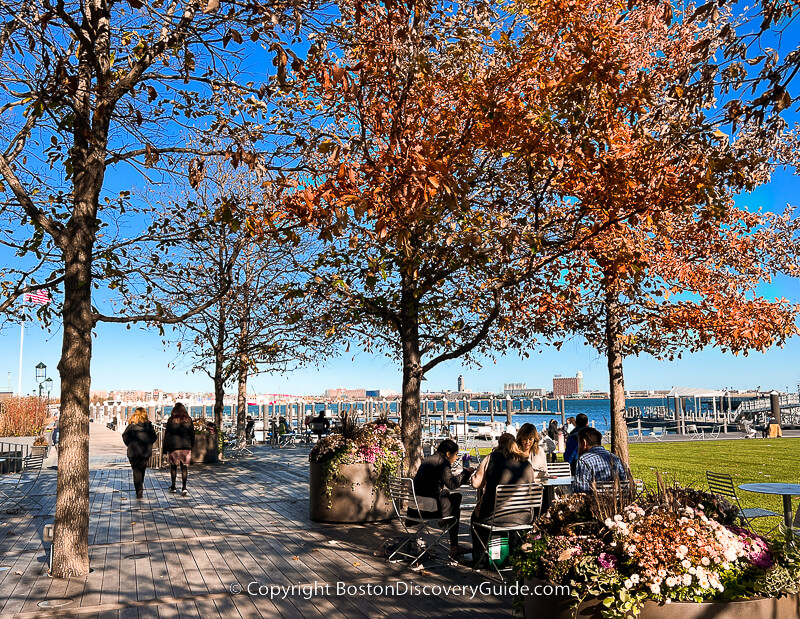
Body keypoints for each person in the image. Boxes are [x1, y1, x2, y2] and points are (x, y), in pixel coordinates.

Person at [470, 434, 535, 568]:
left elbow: (476, 484)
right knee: (510, 520)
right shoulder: (526, 463)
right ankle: (514, 556)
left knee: (475, 519)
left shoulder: (491, 458)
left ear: (499, 445)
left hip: (496, 517)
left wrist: (472, 475)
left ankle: (480, 559)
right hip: (524, 517)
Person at [412, 439, 474, 559]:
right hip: (428, 507)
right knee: (456, 498)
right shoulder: (442, 462)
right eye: (456, 455)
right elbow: (452, 484)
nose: (456, 458)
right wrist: (466, 473)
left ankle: (445, 520)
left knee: (451, 499)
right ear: (448, 454)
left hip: (417, 504)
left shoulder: (429, 459)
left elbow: (430, 484)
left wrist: (442, 492)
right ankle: (454, 546)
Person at [572, 427, 627, 494]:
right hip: (616, 501)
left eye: (579, 443)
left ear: (584, 442)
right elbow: (623, 484)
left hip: (593, 502)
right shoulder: (616, 459)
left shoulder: (584, 460)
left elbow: (581, 490)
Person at [122, 407, 158, 500]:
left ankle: (138, 490)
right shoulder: (148, 425)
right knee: (142, 470)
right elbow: (154, 436)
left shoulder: (131, 425)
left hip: (133, 452)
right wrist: (149, 443)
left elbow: (124, 436)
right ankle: (140, 488)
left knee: (136, 471)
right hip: (145, 451)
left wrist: (129, 444)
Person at [163, 403, 195, 496]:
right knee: (184, 467)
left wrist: (165, 449)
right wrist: (191, 445)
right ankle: (184, 488)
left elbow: (167, 435)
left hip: (174, 447)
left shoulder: (171, 420)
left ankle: (173, 486)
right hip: (186, 447)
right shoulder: (188, 420)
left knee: (173, 467)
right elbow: (192, 434)